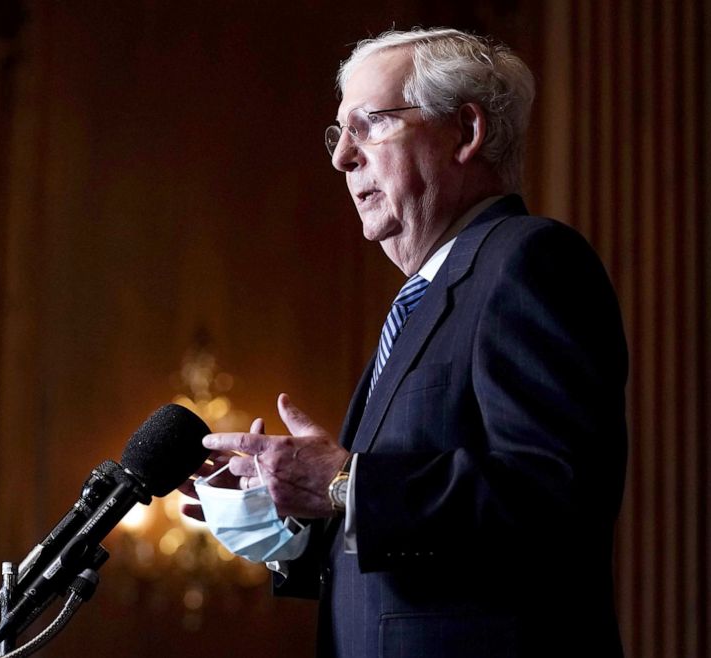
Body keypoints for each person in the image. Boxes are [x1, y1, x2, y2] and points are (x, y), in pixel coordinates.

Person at [181, 27, 627, 658]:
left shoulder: (528, 261)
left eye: (371, 124)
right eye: (339, 134)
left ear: (466, 133)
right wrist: (290, 514)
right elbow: (414, 560)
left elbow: (554, 496)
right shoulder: (426, 297)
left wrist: (344, 485)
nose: (342, 158)